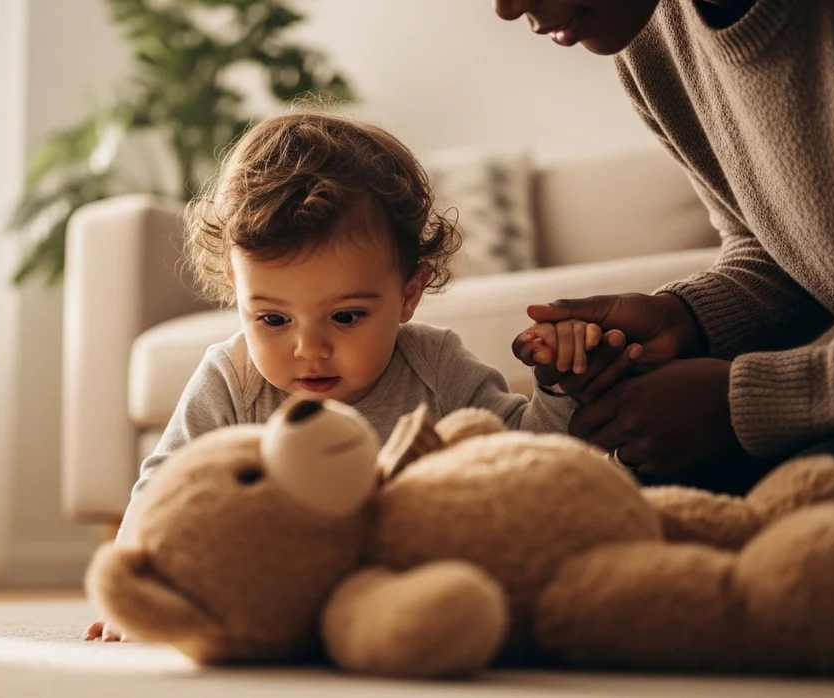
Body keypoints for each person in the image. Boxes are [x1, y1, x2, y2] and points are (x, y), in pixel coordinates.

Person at [495, 0, 834, 652]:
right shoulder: (652, 39)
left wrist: (749, 399)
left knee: (825, 536)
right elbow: (781, 245)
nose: (504, 6)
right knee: (603, 514)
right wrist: (682, 319)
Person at [84, 108, 624, 641]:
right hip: (275, 590)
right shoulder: (232, 378)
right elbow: (167, 488)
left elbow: (525, 460)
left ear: (409, 292)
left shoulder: (436, 367)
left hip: (400, 578)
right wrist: (142, 587)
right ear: (235, 288)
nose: (310, 349)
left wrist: (558, 382)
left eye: (345, 317)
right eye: (272, 319)